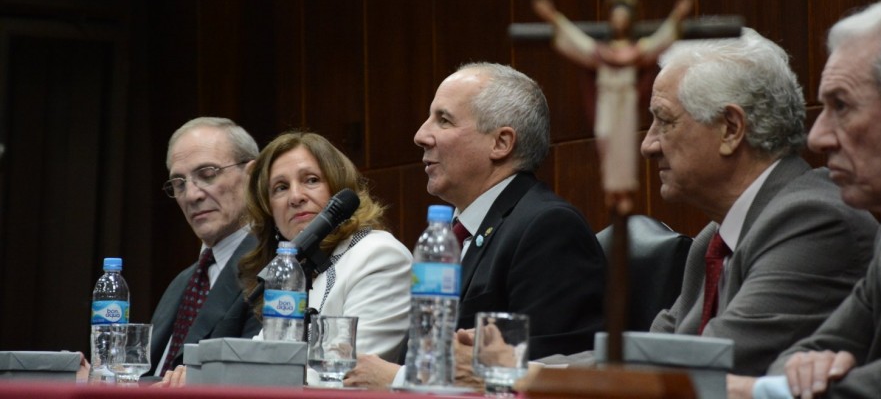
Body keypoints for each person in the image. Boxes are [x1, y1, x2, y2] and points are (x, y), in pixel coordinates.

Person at [344, 62, 606, 389]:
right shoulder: (451, 235)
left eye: (443, 120)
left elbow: (553, 374)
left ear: (501, 143)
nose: (421, 135)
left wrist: (398, 379)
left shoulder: (548, 227)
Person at [643, 28, 878, 375]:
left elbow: (712, 366)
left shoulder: (814, 222)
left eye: (665, 121)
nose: (649, 145)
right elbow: (647, 355)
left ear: (731, 129)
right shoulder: (714, 239)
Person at [729, 0, 881, 399]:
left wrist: (767, 393)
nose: (817, 137)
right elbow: (800, 355)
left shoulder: (816, 217)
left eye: (841, 106)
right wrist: (800, 375)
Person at [238, 130, 412, 362]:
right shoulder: (295, 273)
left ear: (339, 190)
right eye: (281, 187)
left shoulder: (379, 256)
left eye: (311, 180)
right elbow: (262, 358)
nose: (295, 197)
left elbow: (349, 372)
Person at [532, 0, 692, 213]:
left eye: (624, 18)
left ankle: (624, 190)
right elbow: (576, 41)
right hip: (607, 101)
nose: (619, 22)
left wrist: (678, 16)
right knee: (606, 137)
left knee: (624, 144)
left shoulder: (637, 51)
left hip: (625, 101)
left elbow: (660, 40)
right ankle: (611, 188)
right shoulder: (600, 53)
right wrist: (553, 17)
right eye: (615, 18)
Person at [150, 117, 262, 376]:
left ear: (252, 175)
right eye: (179, 183)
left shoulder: (273, 272)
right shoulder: (182, 282)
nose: (192, 195)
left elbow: (249, 380)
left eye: (207, 174)